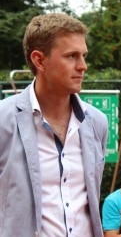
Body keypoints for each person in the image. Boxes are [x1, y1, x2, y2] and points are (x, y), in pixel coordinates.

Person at [0, 13, 109, 236]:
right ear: (39, 60)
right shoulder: (3, 119)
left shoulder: (97, 122)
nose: (83, 66)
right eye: (71, 56)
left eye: (84, 55)